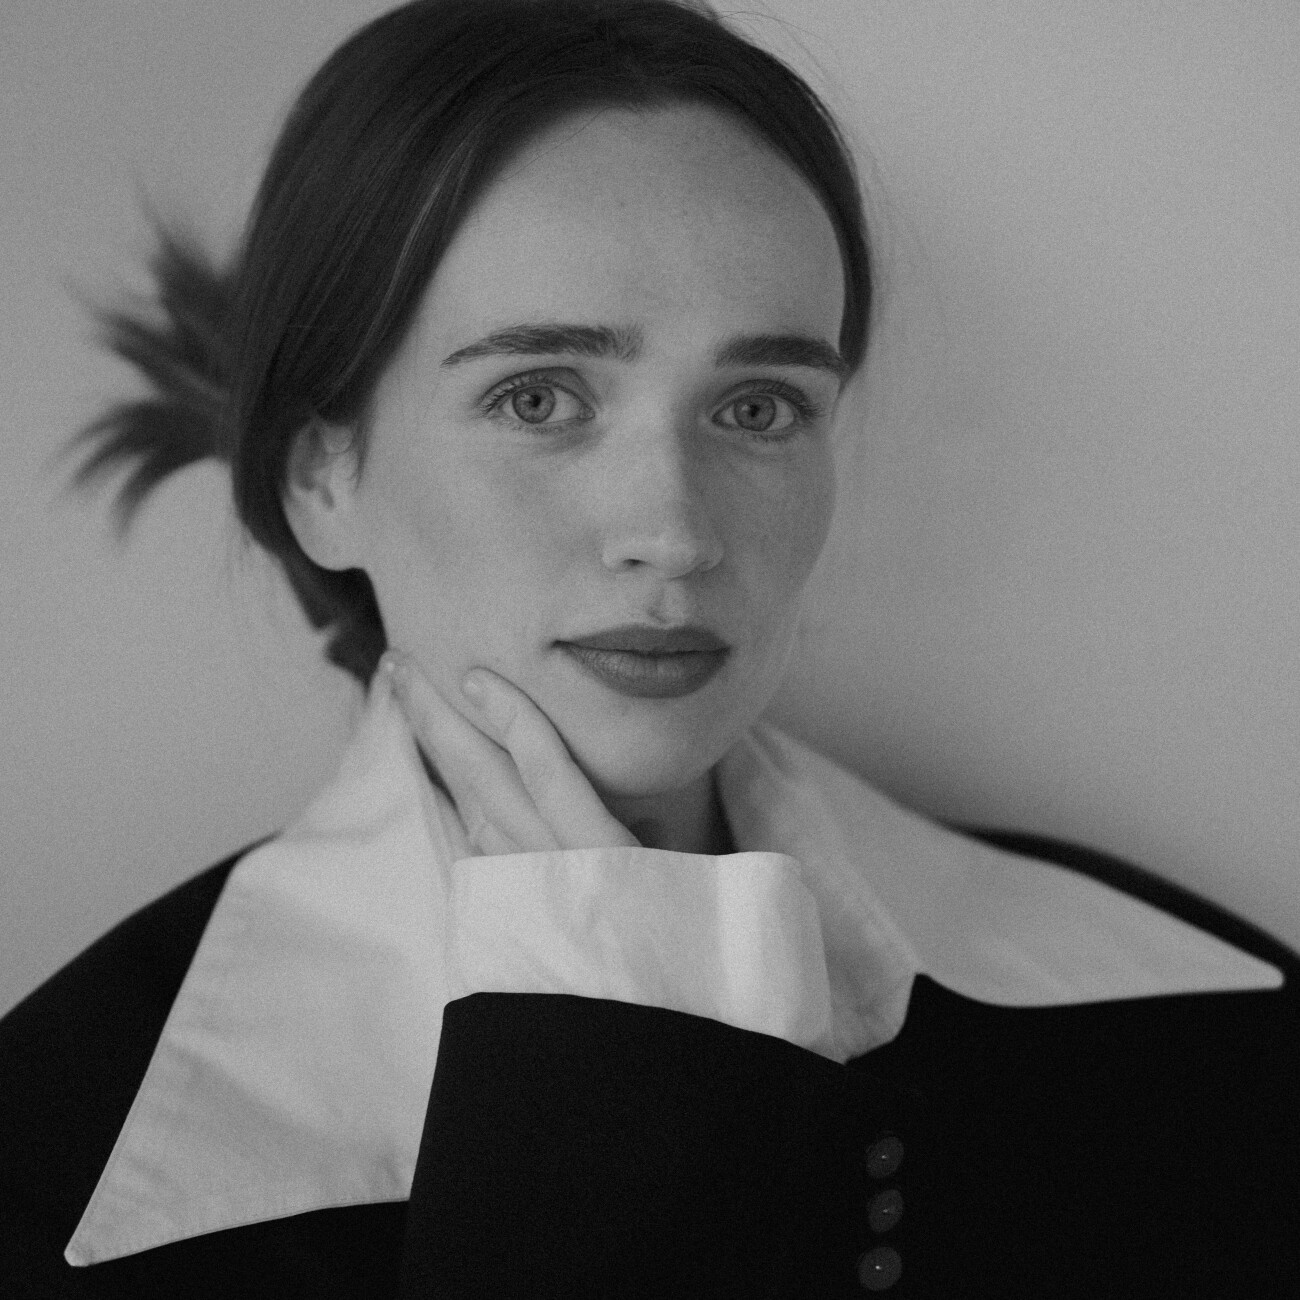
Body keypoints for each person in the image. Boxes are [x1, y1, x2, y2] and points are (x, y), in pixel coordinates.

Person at [2, 1, 1296, 1295]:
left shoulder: (1217, 1032)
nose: (674, 534)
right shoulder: (49, 1158)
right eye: (538, 398)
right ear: (320, 476)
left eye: (759, 407)